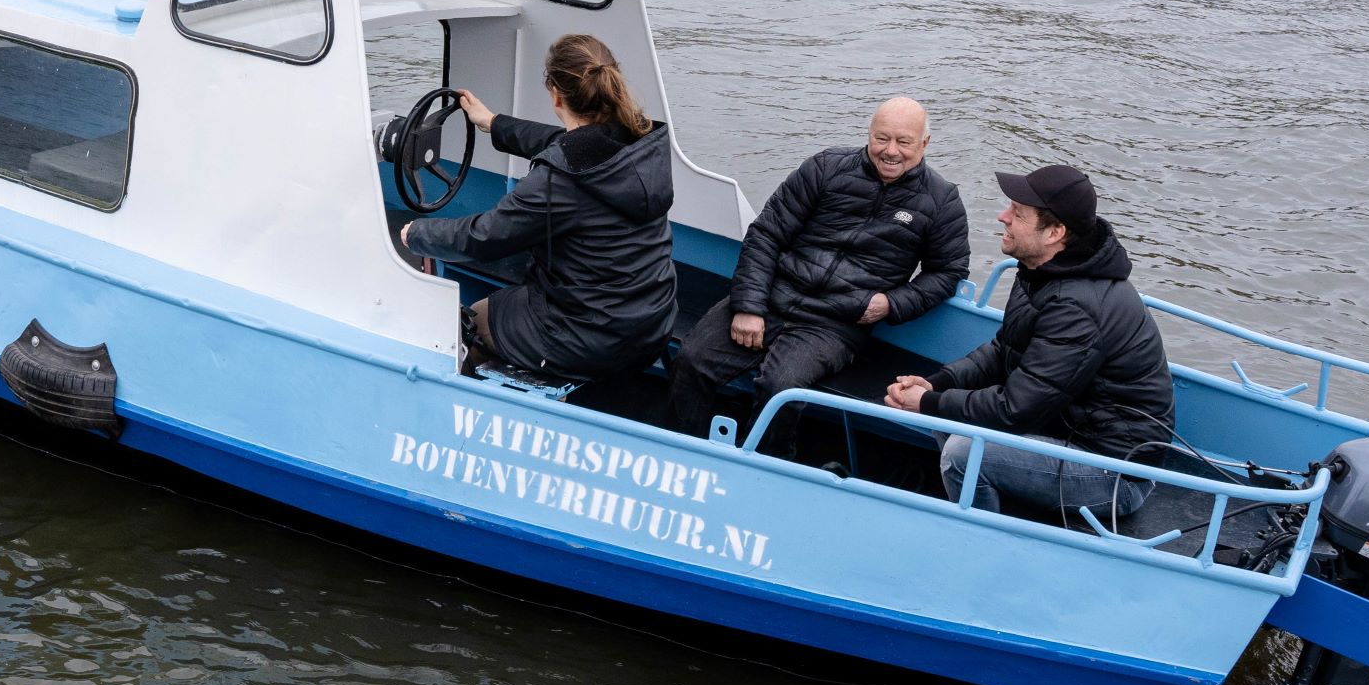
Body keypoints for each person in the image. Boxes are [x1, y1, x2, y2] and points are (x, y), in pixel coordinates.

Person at [883, 163, 1175, 517]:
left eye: (1018, 213)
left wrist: (928, 403)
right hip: (1062, 429)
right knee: (953, 419)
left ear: (1054, 233)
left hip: (1114, 474)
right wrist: (936, 383)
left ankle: (982, 540)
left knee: (964, 452)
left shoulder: (1077, 307)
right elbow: (1001, 350)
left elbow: (1014, 410)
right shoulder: (1040, 272)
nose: (1002, 216)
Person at [667, 97, 969, 437]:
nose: (891, 151)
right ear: (868, 134)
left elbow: (948, 272)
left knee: (781, 389)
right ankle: (683, 442)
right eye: (881, 138)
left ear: (924, 144)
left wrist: (892, 303)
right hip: (774, 295)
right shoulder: (826, 167)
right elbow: (766, 234)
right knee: (692, 360)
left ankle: (768, 465)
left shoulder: (942, 200)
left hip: (836, 323)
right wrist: (749, 306)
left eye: (904, 142)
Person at [398, 34, 676, 382]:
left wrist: (418, 233)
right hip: (652, 323)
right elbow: (564, 143)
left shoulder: (558, 180)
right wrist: (493, 123)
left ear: (555, 95)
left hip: (589, 338)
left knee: (473, 321)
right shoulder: (642, 144)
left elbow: (484, 238)